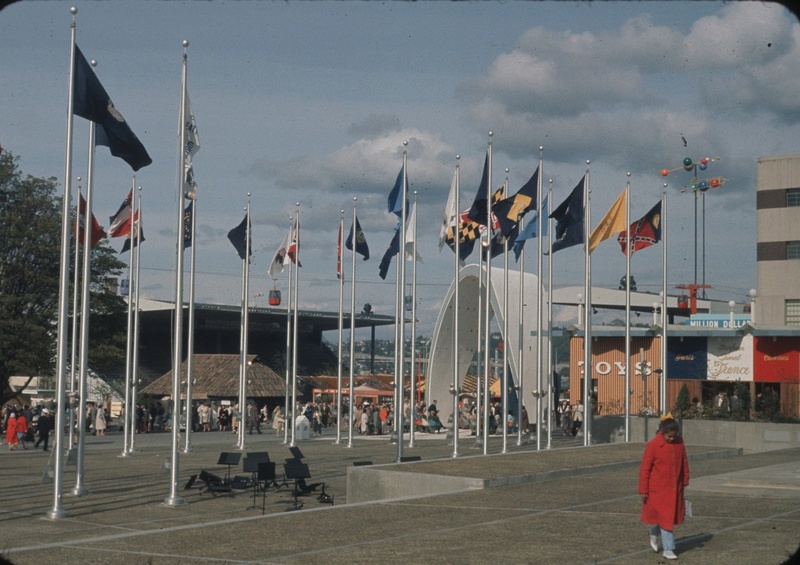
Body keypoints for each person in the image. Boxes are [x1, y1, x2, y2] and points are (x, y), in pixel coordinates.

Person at [638, 416, 690, 561]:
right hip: (658, 489)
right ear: (662, 432)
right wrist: (643, 489)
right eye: (669, 436)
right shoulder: (653, 445)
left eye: (674, 436)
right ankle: (668, 549)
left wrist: (685, 478)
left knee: (669, 518)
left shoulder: (680, 443)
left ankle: (654, 531)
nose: (672, 439)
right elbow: (645, 469)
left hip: (675, 487)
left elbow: (684, 461)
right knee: (666, 516)